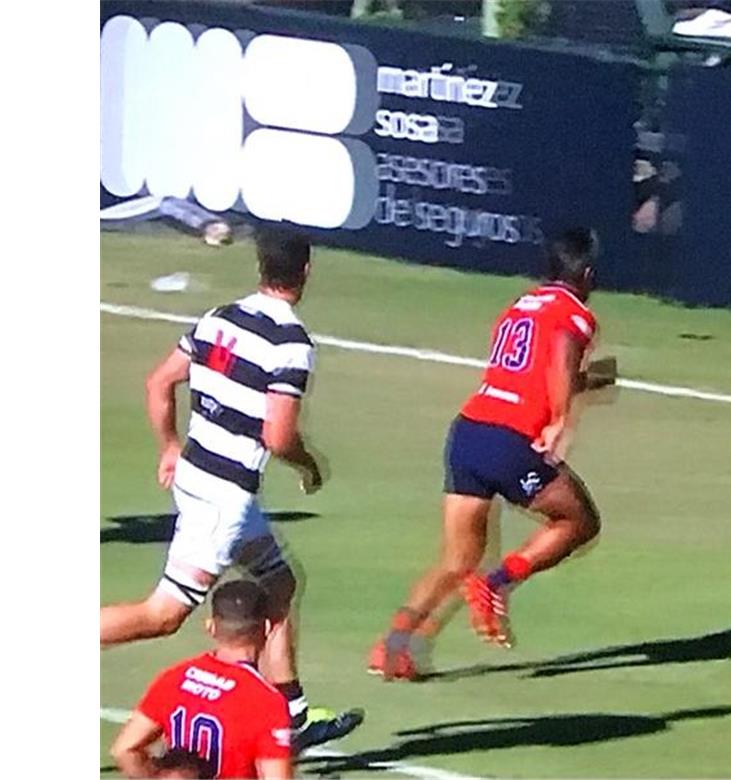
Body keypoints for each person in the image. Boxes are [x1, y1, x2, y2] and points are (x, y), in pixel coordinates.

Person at [99, 229, 362, 750]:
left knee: (279, 584)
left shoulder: (218, 317)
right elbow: (279, 435)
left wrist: (169, 444)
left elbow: (159, 382)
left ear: (261, 267)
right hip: (226, 501)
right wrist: (310, 466)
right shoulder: (290, 343)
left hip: (198, 477)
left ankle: (292, 718)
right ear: (305, 272)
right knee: (164, 615)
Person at [369, 228, 605, 680]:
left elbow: (535, 369)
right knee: (579, 520)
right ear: (587, 274)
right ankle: (497, 584)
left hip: (470, 431)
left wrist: (590, 381)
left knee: (456, 558)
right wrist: (561, 419)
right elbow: (560, 353)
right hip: (510, 439)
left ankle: (392, 647)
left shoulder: (519, 306)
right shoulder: (575, 313)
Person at [110, 581, 292, 779]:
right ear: (266, 628)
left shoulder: (175, 678)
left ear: (211, 627)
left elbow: (124, 750)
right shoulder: (267, 702)